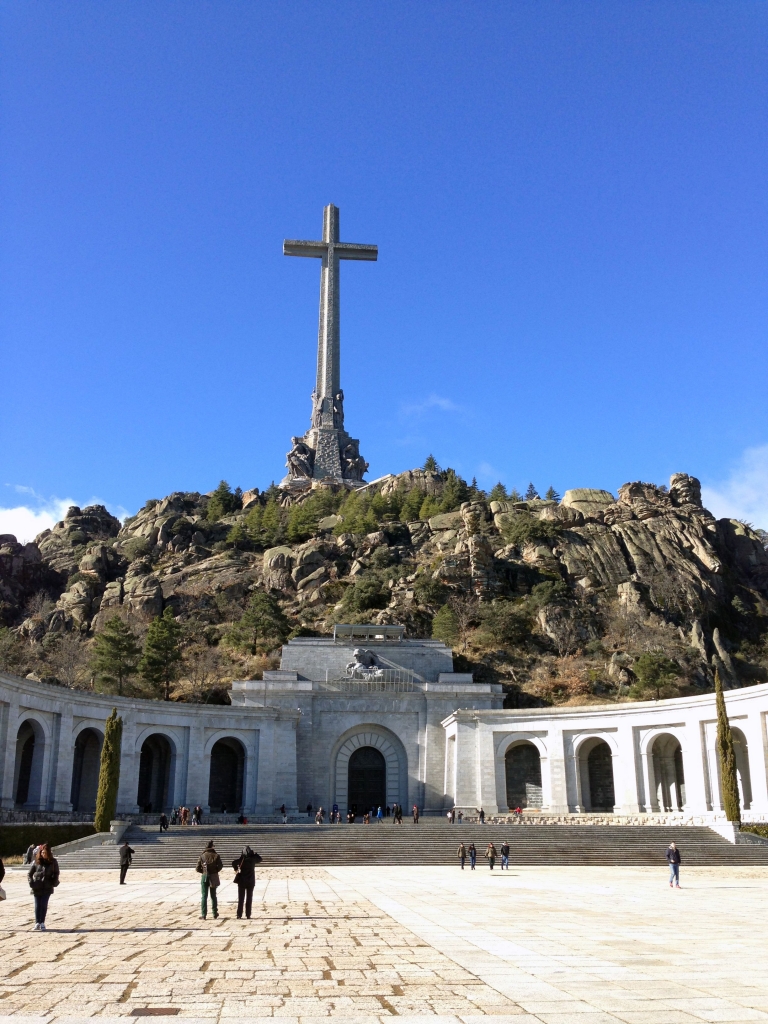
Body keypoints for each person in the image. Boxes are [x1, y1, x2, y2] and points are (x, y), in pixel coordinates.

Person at [28, 843, 59, 931]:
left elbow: (56, 873)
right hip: (37, 886)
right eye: (42, 852)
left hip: (47, 886)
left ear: (48, 853)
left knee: (44, 904)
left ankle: (42, 922)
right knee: (37, 905)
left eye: (45, 853)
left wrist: (54, 881)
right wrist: (31, 882)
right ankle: (37, 922)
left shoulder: (53, 862)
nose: (43, 854)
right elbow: (29, 874)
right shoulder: (36, 861)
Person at [197, 840, 223, 920]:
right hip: (213, 876)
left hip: (205, 876)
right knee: (213, 895)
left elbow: (197, 868)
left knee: (204, 896)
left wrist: (204, 872)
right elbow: (221, 866)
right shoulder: (216, 855)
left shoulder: (202, 856)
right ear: (212, 847)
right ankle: (215, 913)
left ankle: (204, 914)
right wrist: (215, 871)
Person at [232, 845, 258, 920]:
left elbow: (233, 862)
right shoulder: (253, 860)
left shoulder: (241, 860)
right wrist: (254, 854)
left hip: (242, 881)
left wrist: (236, 869)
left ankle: (239, 915)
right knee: (249, 898)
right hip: (250, 881)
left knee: (241, 899)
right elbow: (260, 859)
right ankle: (248, 915)